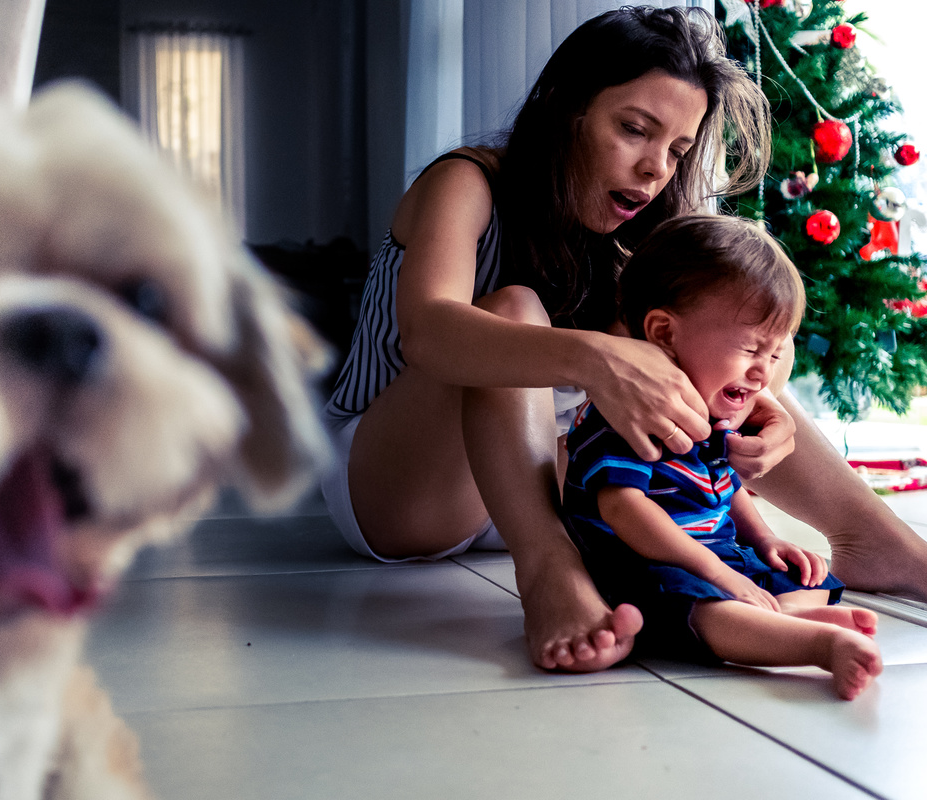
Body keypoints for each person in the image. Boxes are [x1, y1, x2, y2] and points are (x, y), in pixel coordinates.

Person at [321, 5, 927, 673]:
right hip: (399, 487)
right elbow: (427, 333)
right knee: (516, 308)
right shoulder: (467, 182)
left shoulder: (644, 231)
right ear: (566, 108)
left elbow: (739, 349)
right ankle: (549, 571)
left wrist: (768, 408)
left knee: (711, 334)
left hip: (533, 472)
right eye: (635, 130)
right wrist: (596, 355)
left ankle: (883, 546)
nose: (654, 169)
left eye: (676, 149)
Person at [562, 215, 882, 699]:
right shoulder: (623, 412)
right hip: (641, 565)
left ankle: (784, 613)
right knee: (708, 608)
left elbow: (724, 486)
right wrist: (716, 573)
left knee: (803, 574)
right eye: (752, 348)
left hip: (715, 554)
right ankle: (815, 643)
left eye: (774, 356)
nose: (762, 374)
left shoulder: (711, 409)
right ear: (665, 334)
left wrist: (766, 540)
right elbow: (624, 509)